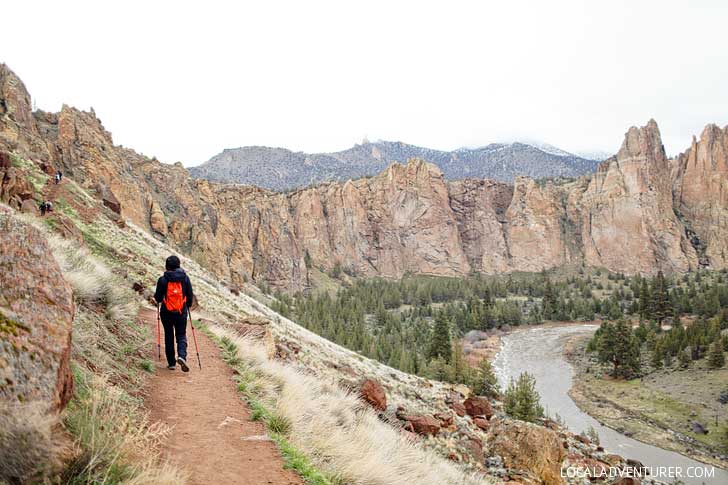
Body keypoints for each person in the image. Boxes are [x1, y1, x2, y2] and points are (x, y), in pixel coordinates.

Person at [154, 255, 194, 371]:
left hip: (166, 312)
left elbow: (158, 298)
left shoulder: (163, 279)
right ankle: (182, 356)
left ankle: (171, 363)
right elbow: (190, 295)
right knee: (181, 335)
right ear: (178, 265)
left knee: (169, 335)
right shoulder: (185, 278)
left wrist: (159, 299)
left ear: (167, 266)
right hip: (181, 312)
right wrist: (187, 305)